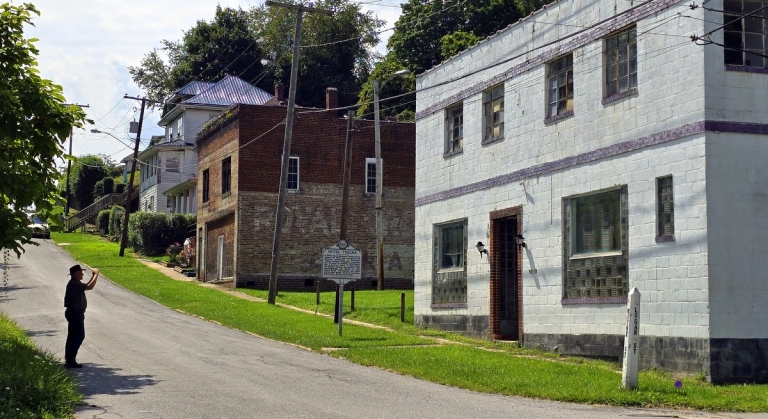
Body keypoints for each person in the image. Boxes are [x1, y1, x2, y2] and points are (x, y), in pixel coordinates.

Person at [64, 264, 99, 368]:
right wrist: (96, 275)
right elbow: (90, 287)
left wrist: (93, 277)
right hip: (75, 313)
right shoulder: (74, 283)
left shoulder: (75, 283)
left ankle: (69, 359)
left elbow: (86, 286)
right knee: (79, 336)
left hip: (74, 312)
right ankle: (71, 360)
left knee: (72, 337)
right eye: (81, 272)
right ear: (76, 274)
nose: (83, 274)